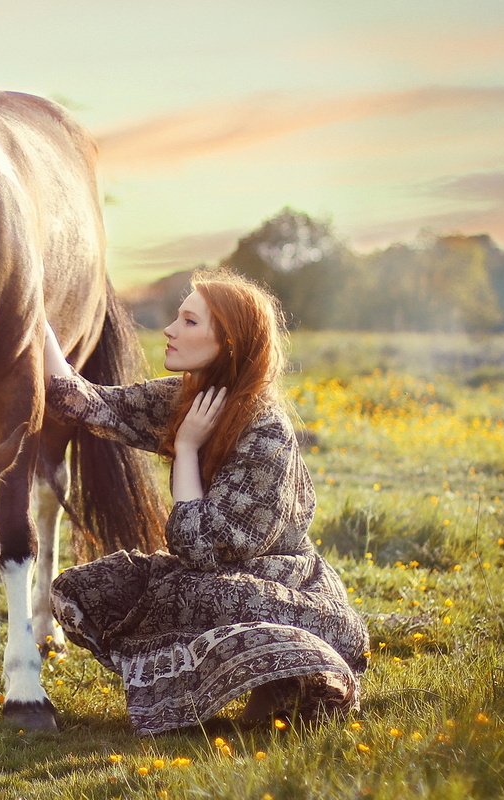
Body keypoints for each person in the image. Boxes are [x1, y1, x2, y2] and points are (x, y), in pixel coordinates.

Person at [43, 270, 368, 736]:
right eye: (177, 318)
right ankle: (217, 683)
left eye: (190, 322)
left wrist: (189, 449)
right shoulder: (187, 396)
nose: (170, 330)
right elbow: (89, 403)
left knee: (201, 592)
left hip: (280, 588)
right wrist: (37, 316)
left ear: (229, 343)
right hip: (209, 577)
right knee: (88, 588)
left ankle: (293, 674)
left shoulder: (266, 432)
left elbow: (200, 549)